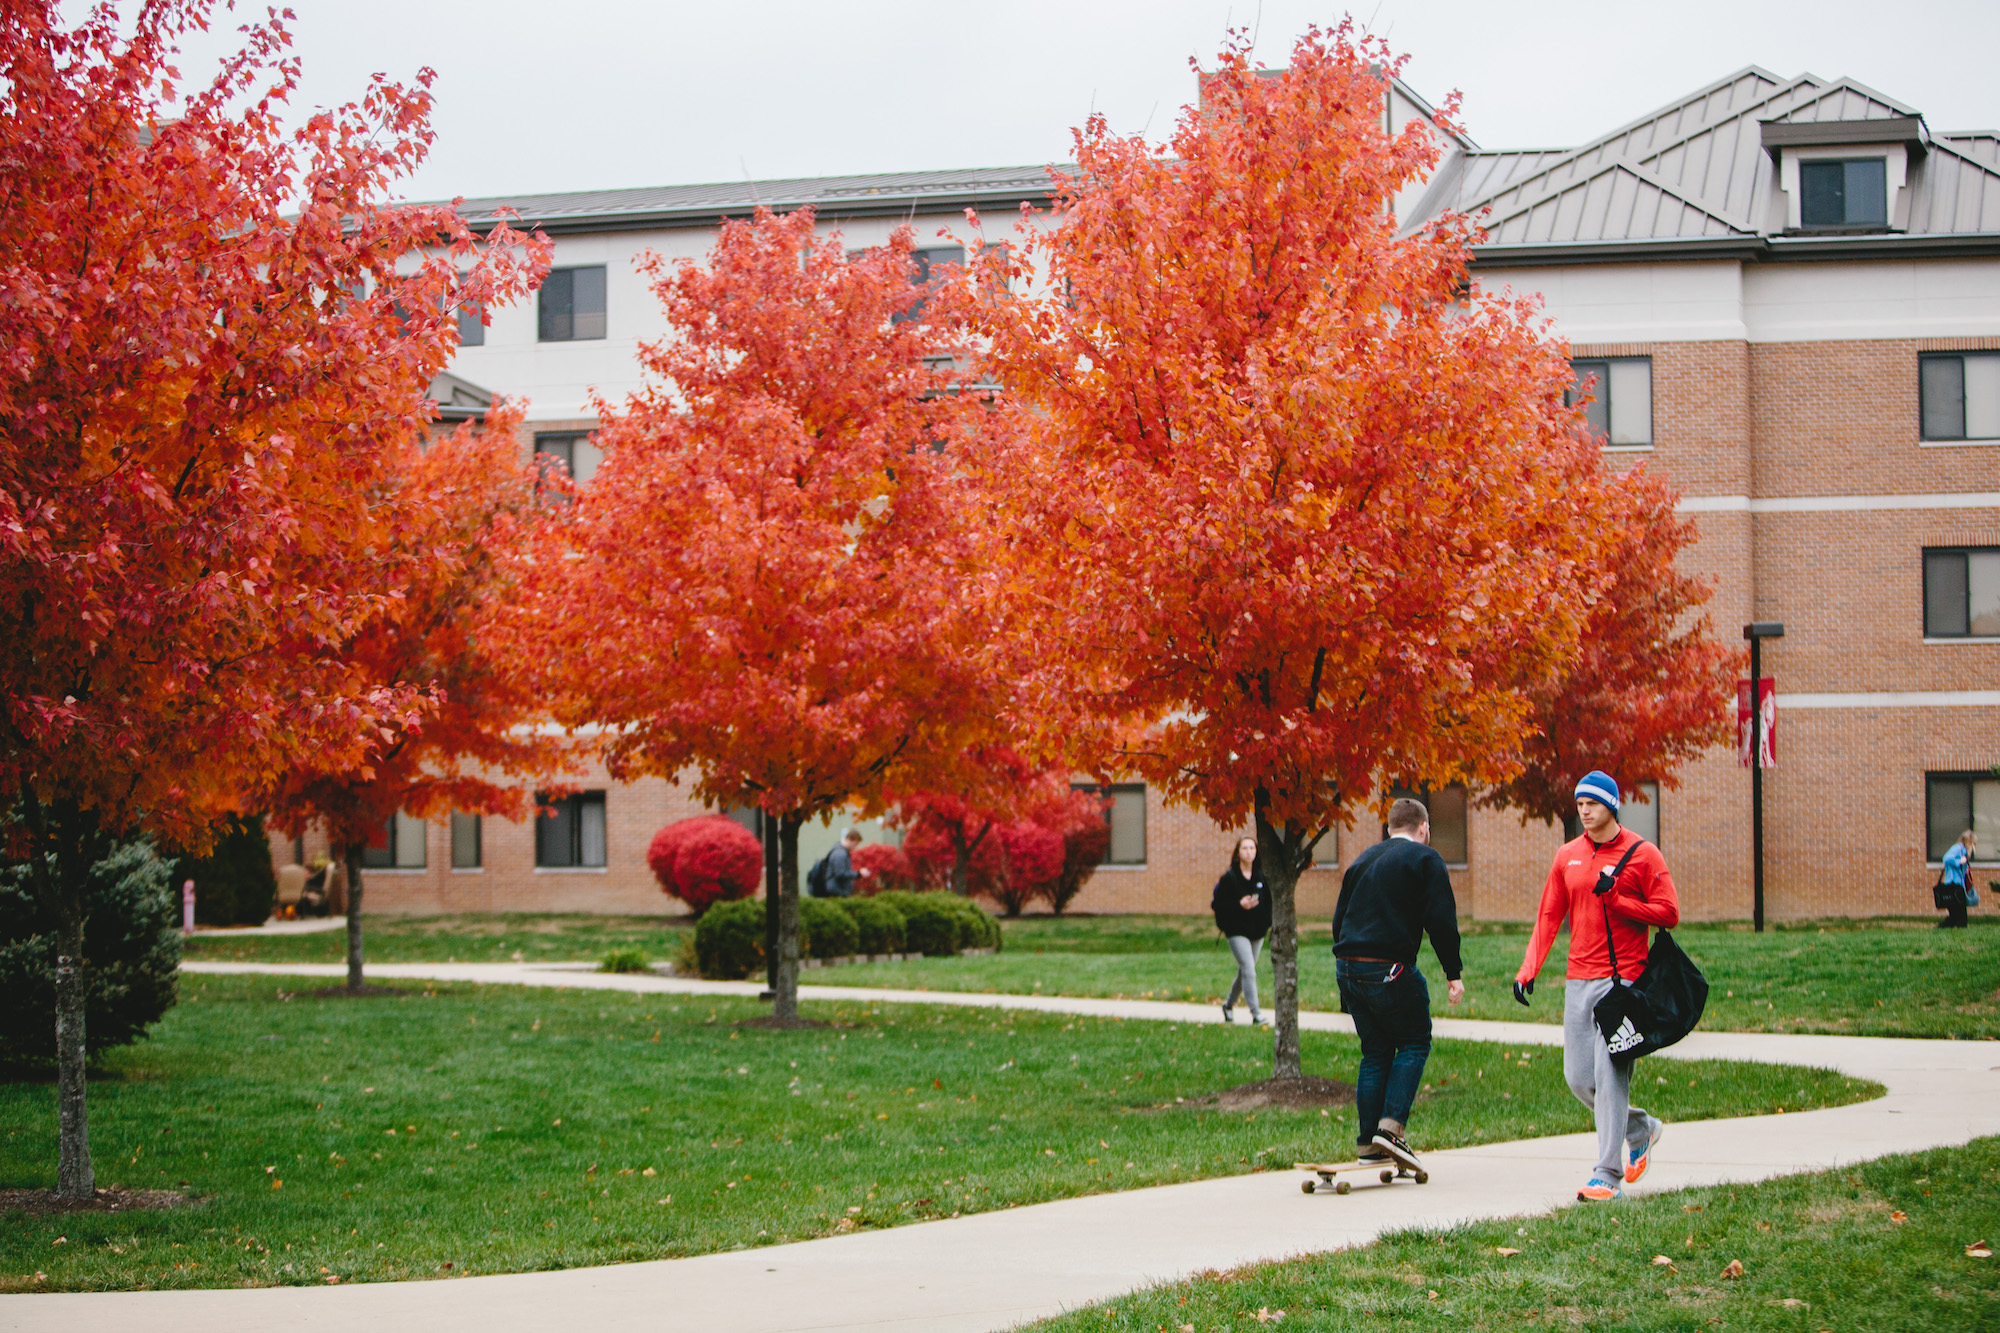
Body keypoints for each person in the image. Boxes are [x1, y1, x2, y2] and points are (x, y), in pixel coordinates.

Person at [1513, 771, 1679, 1202]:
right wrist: (1528, 969)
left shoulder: (1643, 855)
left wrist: (1619, 899)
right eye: (1579, 803)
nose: (1584, 810)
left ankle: (1607, 1174)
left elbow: (1669, 912)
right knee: (1579, 1079)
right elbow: (1550, 916)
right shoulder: (1566, 855)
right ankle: (1640, 1128)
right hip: (1578, 979)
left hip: (1623, 981)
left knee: (1609, 1076)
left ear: (1612, 806)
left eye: (1592, 803)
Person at [1331, 797, 1464, 1171]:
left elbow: (1338, 921)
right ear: (1423, 828)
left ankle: (1367, 1143)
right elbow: (1440, 918)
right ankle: (1391, 1132)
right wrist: (1452, 973)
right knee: (1414, 1041)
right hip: (1388, 967)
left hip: (1348, 967)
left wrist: (1348, 968)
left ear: (1389, 828)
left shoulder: (1362, 860)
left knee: (1375, 1052)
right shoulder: (1426, 858)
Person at [1211, 835, 1271, 1025]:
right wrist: (1239, 905)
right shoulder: (1229, 877)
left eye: (1252, 848)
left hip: (1257, 931)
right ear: (1238, 853)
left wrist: (1267, 922)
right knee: (1249, 969)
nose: (1249, 852)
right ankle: (1256, 1013)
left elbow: (1269, 903)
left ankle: (1228, 1005)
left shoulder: (1261, 876)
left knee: (1246, 970)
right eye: (1245, 848)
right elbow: (1218, 904)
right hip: (1236, 931)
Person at [1940, 830, 1975, 929]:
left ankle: (1948, 926)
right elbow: (1946, 858)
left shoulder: (1964, 851)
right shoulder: (1957, 848)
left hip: (1959, 883)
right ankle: (1957, 927)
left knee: (1956, 911)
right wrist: (1959, 861)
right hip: (1953, 882)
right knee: (1959, 910)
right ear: (1968, 841)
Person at [821, 828, 870, 899]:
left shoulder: (842, 852)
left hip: (838, 891)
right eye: (855, 844)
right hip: (837, 893)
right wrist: (858, 873)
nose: (855, 847)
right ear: (848, 839)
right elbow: (840, 873)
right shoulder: (840, 854)